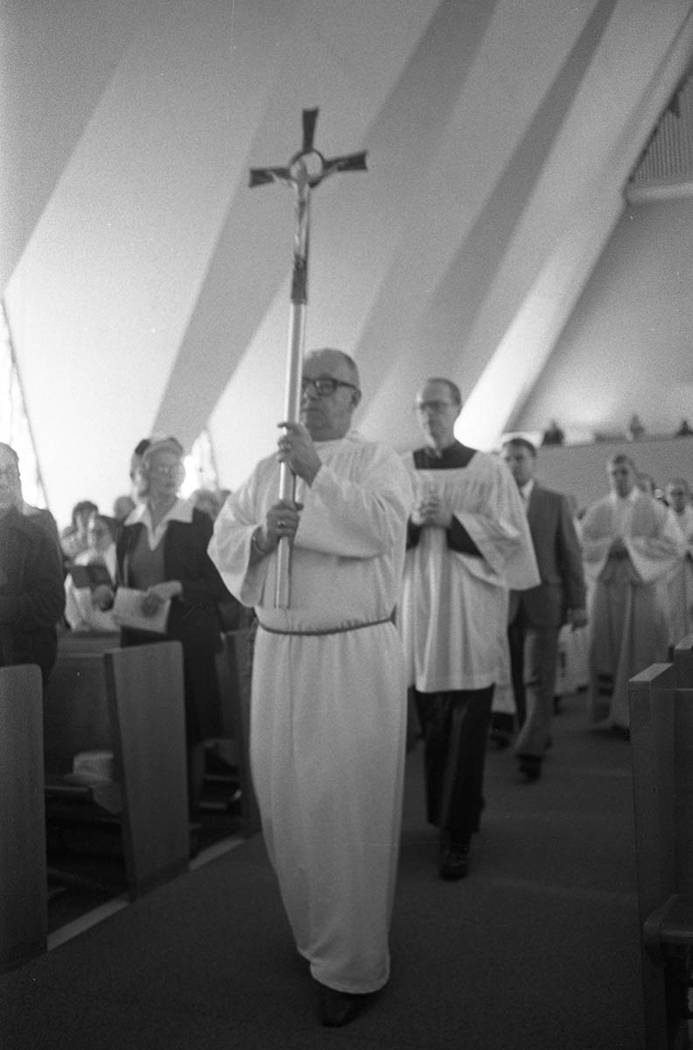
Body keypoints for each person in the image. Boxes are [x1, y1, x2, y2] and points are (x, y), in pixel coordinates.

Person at [209, 348, 412, 1028]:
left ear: (355, 398)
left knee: (343, 808)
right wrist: (262, 535)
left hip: (350, 654)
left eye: (330, 385)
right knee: (288, 806)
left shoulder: (379, 460)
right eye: (306, 383)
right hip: (280, 652)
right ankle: (315, 937)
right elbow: (223, 539)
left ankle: (352, 967)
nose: (314, 395)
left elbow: (383, 528)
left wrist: (317, 476)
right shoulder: (265, 471)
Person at [399, 379, 539, 881]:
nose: (429, 413)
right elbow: (381, 533)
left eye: (437, 404)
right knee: (434, 721)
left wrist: (453, 522)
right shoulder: (401, 468)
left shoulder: (488, 468)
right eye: (422, 406)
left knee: (467, 723)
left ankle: (456, 837)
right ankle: (450, 814)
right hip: (420, 610)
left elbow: (510, 535)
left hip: (469, 608)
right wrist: (414, 523)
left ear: (457, 408)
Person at [101, 437, 230, 816]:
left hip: (187, 643)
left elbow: (222, 584)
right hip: (142, 643)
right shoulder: (131, 525)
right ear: (144, 473)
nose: (171, 475)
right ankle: (151, 819)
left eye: (177, 468)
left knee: (188, 732)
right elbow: (128, 581)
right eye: (162, 468)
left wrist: (177, 588)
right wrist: (109, 596)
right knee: (149, 731)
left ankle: (185, 817)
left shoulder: (198, 521)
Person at [500, 438, 587, 780]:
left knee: (538, 677)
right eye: (506, 459)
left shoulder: (555, 502)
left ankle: (530, 750)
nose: (513, 465)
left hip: (545, 601)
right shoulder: (495, 502)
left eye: (519, 458)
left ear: (533, 462)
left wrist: (578, 603)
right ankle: (533, 732)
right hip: (506, 602)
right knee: (517, 680)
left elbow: (571, 555)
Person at [581, 453, 685, 733]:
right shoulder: (597, 510)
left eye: (623, 472)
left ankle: (641, 716)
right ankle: (610, 717)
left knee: (642, 651)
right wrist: (606, 548)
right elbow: (582, 546)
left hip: (643, 592)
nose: (618, 478)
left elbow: (674, 547)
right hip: (607, 592)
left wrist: (630, 547)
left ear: (634, 473)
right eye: (613, 473)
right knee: (606, 650)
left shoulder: (655, 509)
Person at [0, 442, 65, 681]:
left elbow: (52, 603)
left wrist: (4, 607)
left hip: (20, 660)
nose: (4, 482)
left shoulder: (37, 532)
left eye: (10, 472)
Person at [64, 512, 119, 634]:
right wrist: (76, 622)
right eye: (91, 531)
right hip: (89, 632)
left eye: (99, 532)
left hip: (117, 629)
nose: (94, 536)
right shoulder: (80, 560)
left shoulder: (122, 558)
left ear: (112, 533)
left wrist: (111, 594)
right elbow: (68, 595)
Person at [663, 478, 693, 649]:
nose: (676, 497)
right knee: (671, 613)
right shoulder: (661, 521)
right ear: (667, 497)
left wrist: (688, 550)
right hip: (670, 575)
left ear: (687, 495)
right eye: (672, 494)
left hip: (690, 571)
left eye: (680, 493)